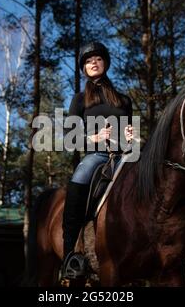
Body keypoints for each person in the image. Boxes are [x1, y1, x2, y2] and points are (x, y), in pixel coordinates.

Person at [61, 42, 133, 279]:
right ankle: (70, 254)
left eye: (98, 59)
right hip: (97, 155)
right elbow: (70, 137)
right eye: (88, 60)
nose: (93, 62)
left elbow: (128, 132)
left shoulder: (124, 100)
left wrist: (131, 136)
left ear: (105, 63)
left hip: (124, 156)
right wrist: (95, 137)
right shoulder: (79, 99)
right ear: (83, 69)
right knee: (80, 176)